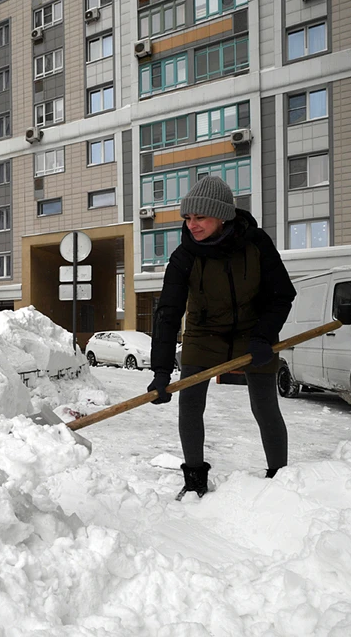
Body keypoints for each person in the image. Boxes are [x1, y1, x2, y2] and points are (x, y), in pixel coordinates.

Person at [146, 176, 297, 501]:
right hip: (203, 332)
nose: (192, 225)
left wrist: (263, 336)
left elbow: (282, 294)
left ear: (222, 216)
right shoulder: (184, 255)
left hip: (253, 331)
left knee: (265, 405)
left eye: (200, 217)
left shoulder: (257, 245)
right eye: (188, 218)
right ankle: (195, 479)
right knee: (190, 404)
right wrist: (160, 371)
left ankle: (279, 477)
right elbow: (168, 313)